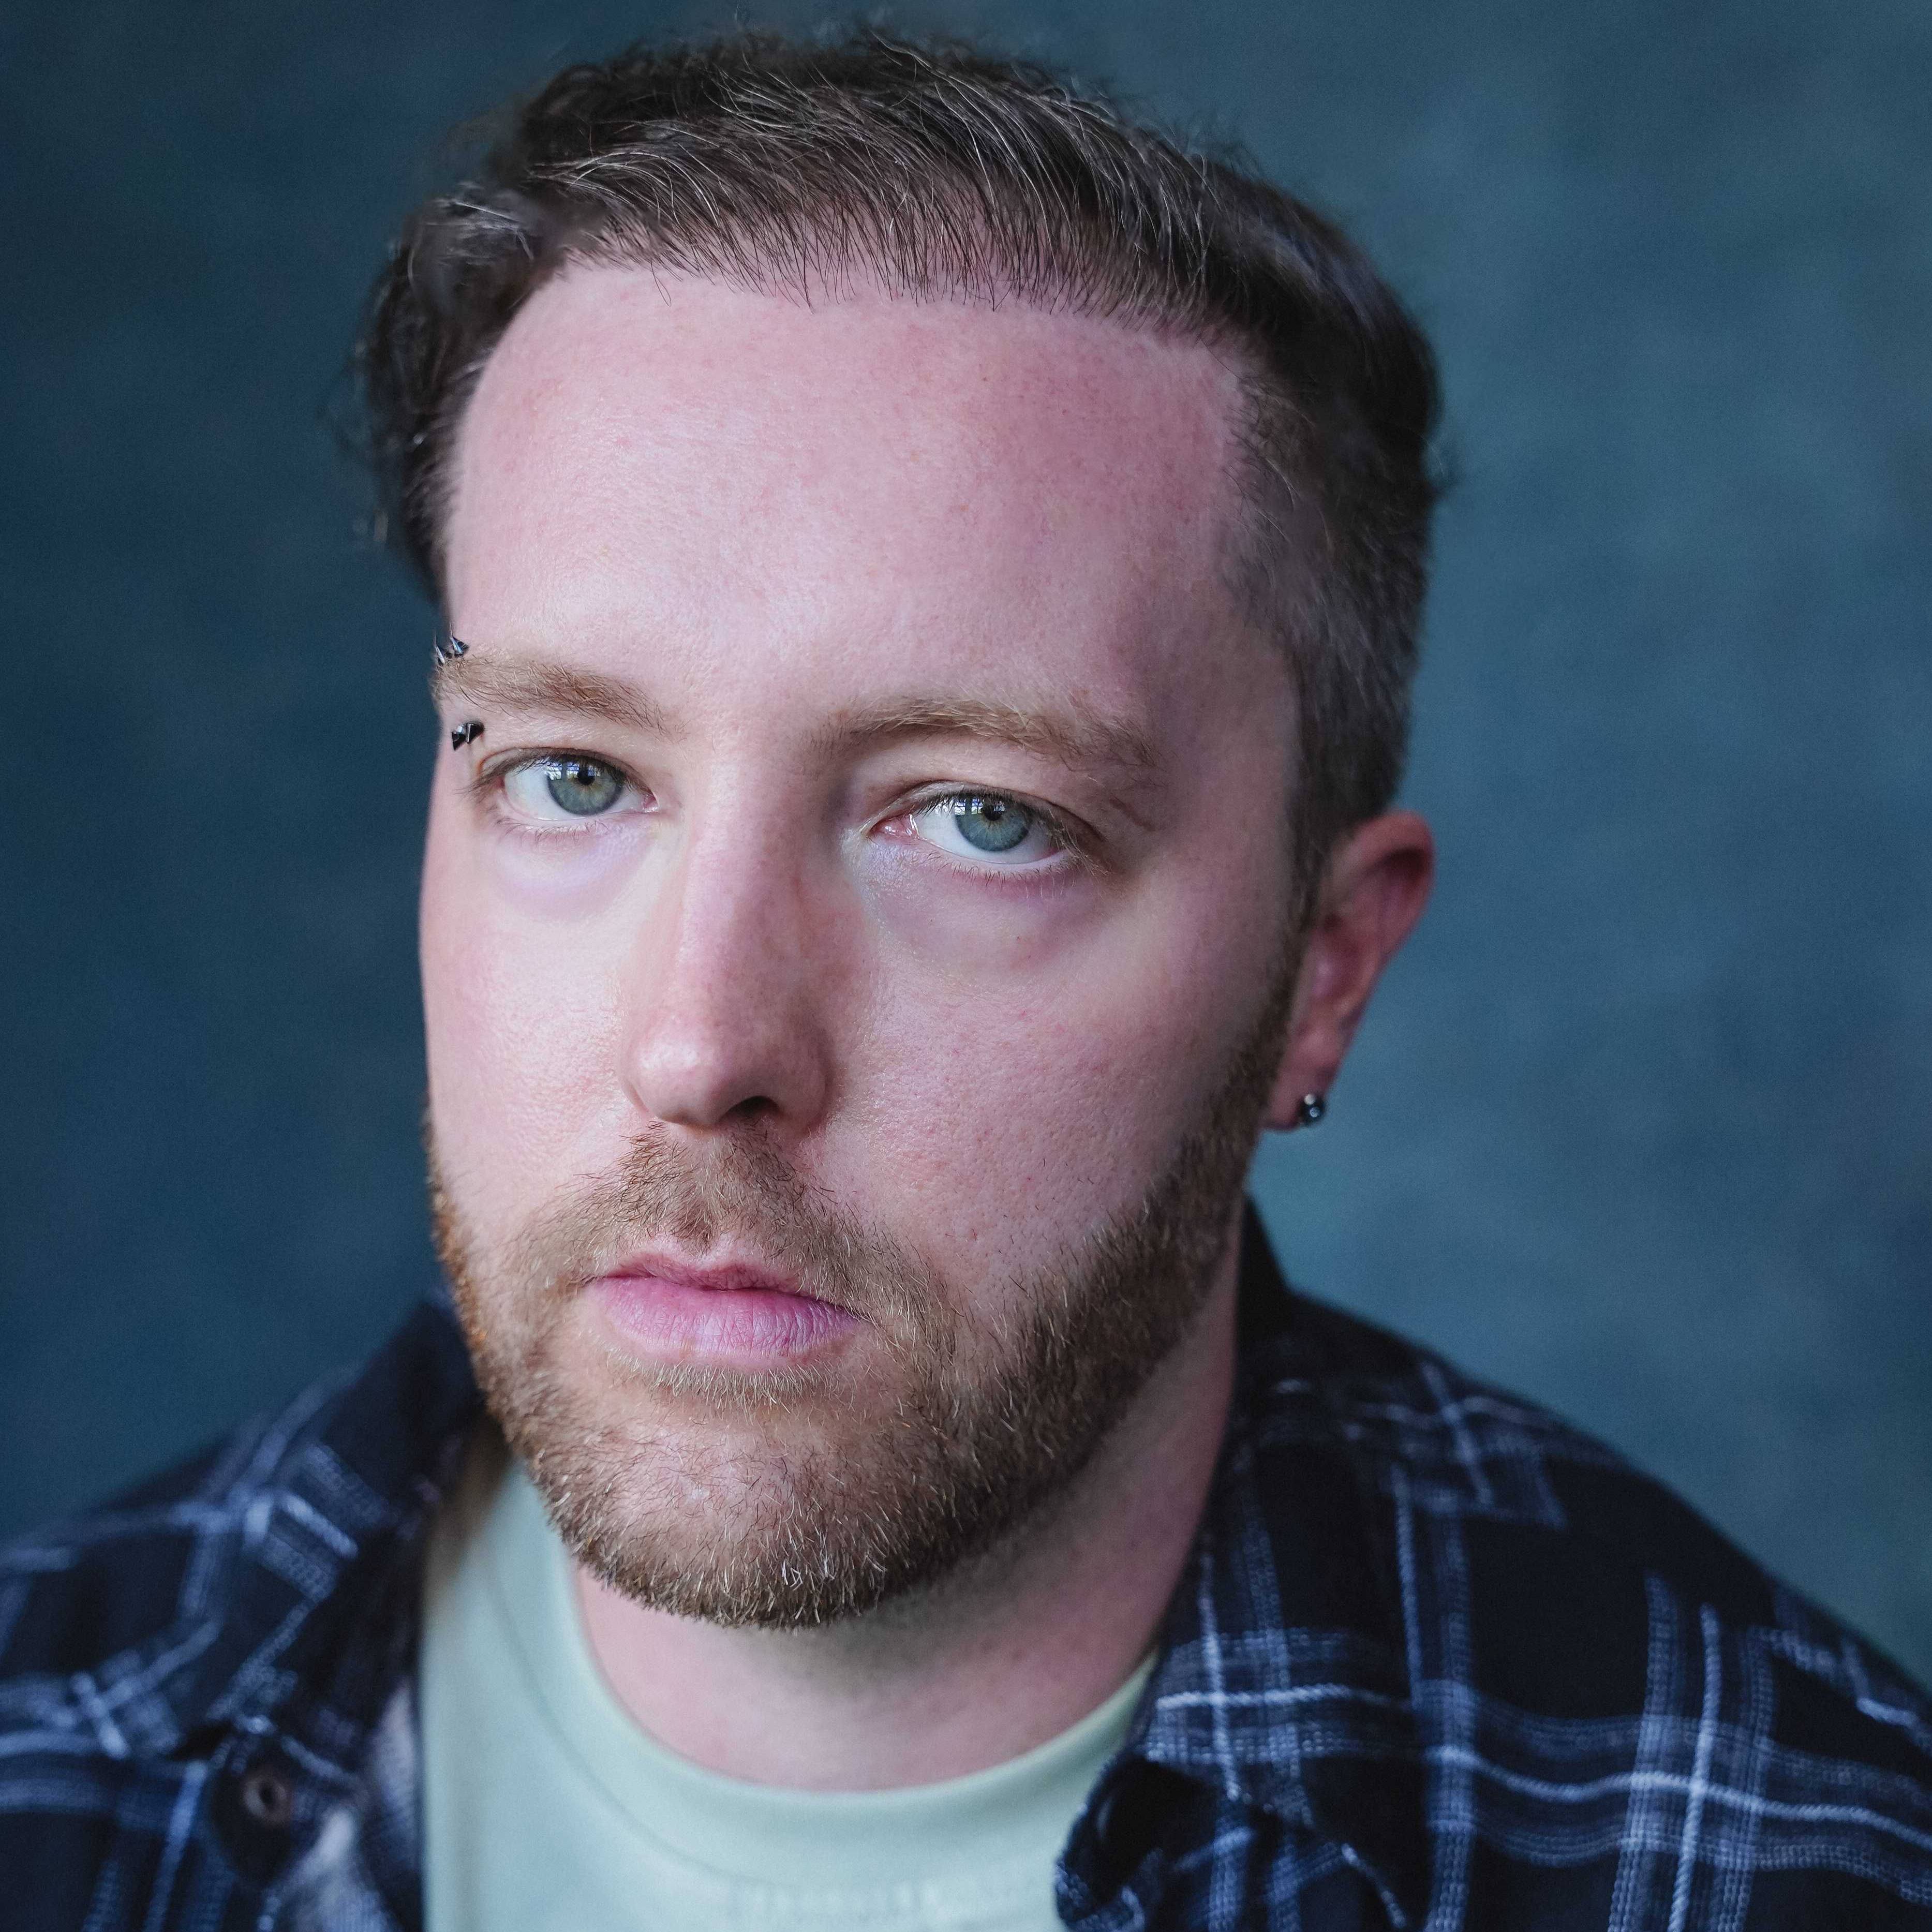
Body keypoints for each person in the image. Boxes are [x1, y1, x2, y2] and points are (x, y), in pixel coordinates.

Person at [3, 31, 1927, 1932]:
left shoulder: (1789, 1868)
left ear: (1325, 970)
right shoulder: (46, 1751)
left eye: (985, 821)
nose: (703, 1046)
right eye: (573, 776)